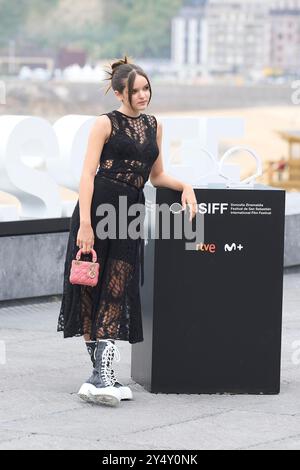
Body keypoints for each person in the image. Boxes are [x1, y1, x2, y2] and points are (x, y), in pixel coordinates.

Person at [57, 55, 197, 407]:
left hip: (130, 211)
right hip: (98, 207)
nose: (143, 95)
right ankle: (103, 374)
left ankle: (98, 377)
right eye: (136, 90)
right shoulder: (104, 124)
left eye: (146, 88)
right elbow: (87, 174)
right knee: (91, 286)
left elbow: (156, 175)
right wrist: (85, 224)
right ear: (120, 93)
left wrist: (185, 186)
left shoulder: (154, 126)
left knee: (117, 287)